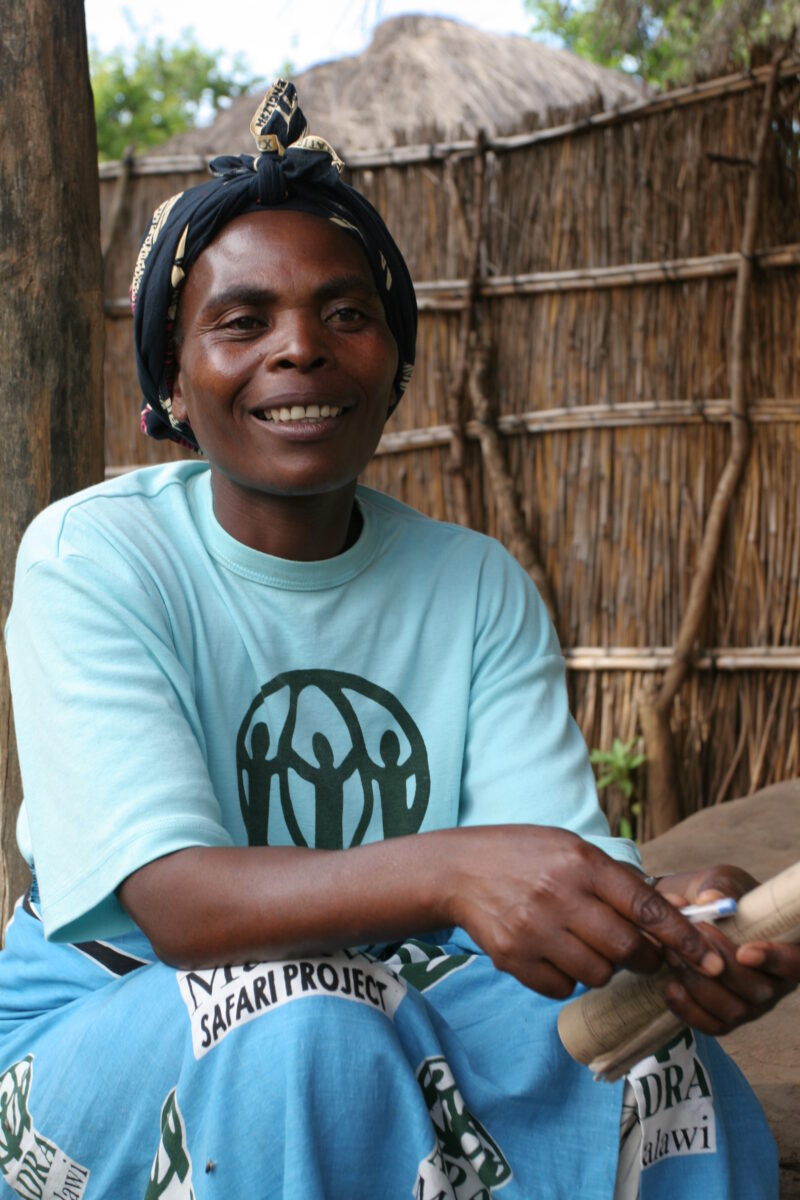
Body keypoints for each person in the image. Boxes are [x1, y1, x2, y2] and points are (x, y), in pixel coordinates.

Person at [0, 81, 796, 1200]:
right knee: (309, 1033)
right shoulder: (94, 558)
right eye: (241, 322)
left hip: (404, 1004)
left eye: (346, 313)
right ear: (168, 381)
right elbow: (178, 904)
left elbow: (543, 863)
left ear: (393, 361)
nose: (301, 350)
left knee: (651, 1056)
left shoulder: (471, 582)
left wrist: (669, 924)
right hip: (112, 1032)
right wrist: (452, 870)